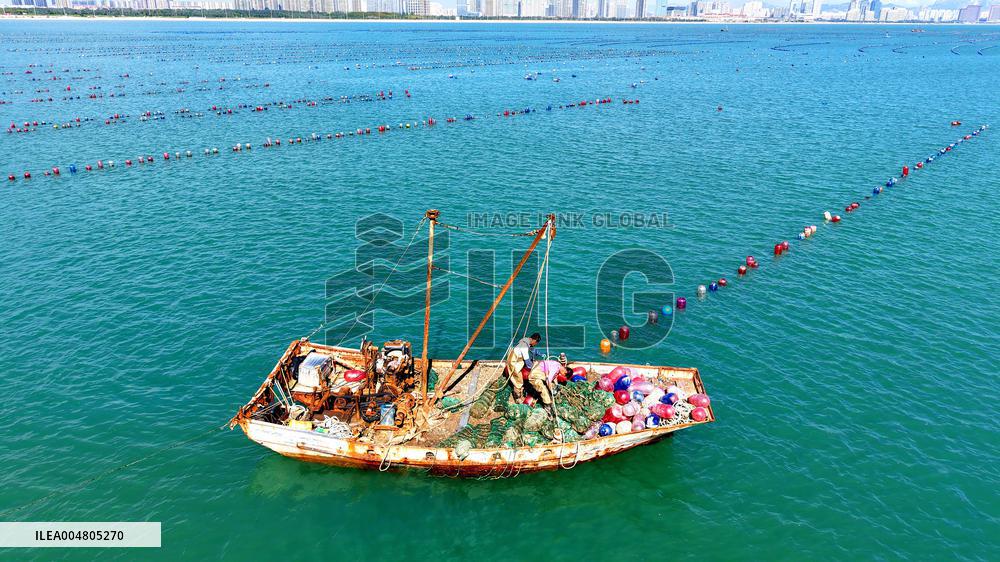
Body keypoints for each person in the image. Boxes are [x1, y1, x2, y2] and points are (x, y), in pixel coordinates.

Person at [506, 333, 542, 400]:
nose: (535, 345)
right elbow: (527, 361)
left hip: (517, 359)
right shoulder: (524, 346)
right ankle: (517, 397)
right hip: (513, 361)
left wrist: (540, 354)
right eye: (536, 343)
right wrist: (534, 368)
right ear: (534, 341)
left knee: (519, 378)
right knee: (518, 380)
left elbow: (532, 349)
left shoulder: (526, 340)